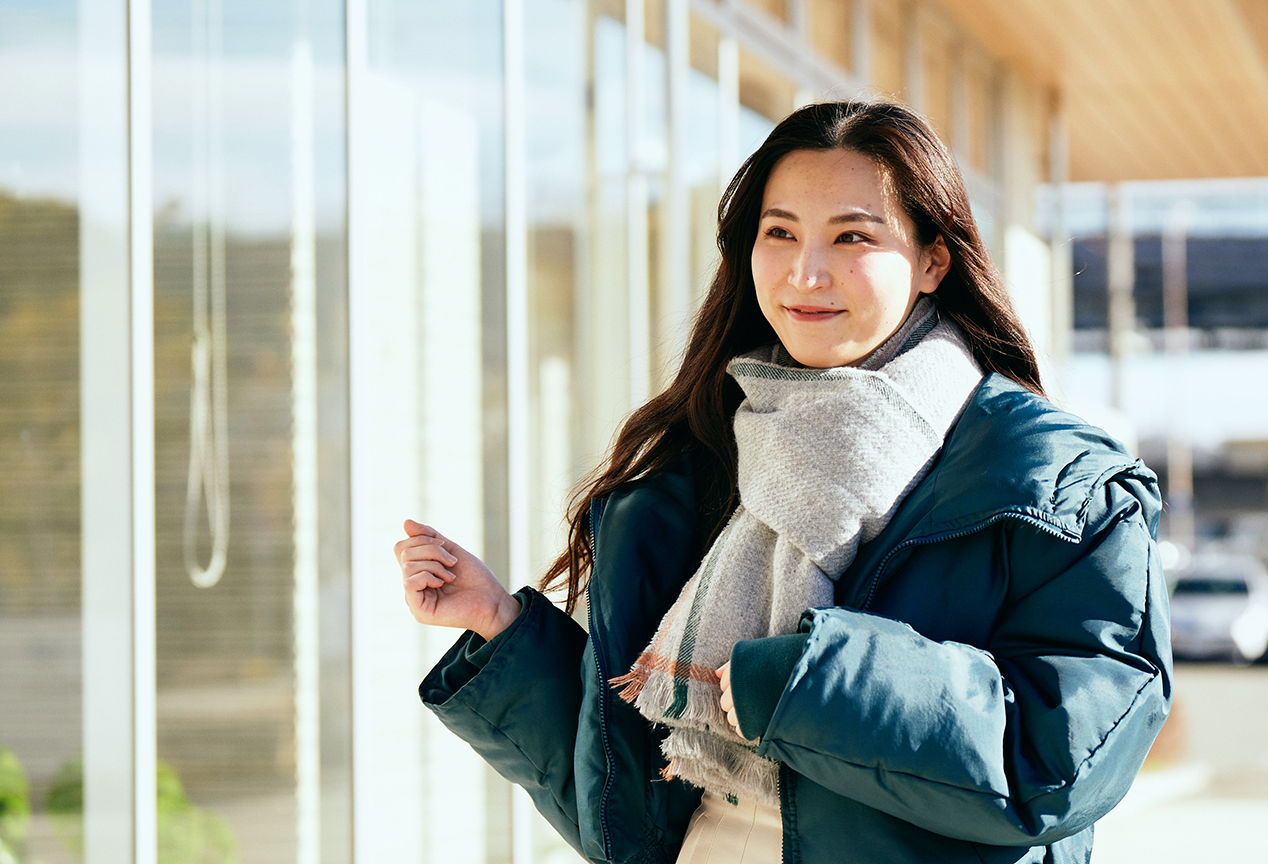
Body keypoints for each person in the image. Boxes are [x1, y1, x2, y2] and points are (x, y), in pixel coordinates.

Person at [397, 101, 1171, 864]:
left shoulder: (1060, 488)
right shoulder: (707, 458)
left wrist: (810, 682)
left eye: (852, 236)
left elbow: (1061, 758)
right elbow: (632, 814)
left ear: (934, 259)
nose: (806, 270)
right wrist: (503, 627)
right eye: (781, 233)